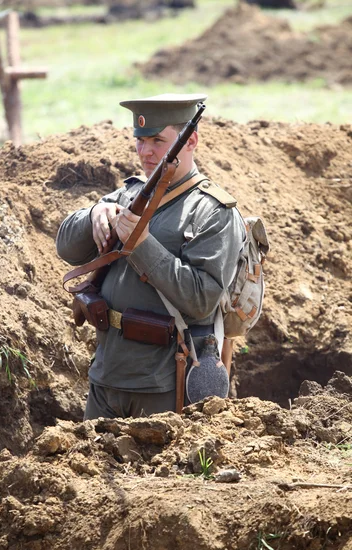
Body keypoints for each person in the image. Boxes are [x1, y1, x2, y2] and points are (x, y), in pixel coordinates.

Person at [56, 93, 244, 419]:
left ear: (191, 140)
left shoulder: (212, 212)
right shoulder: (129, 193)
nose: (146, 151)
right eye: (140, 140)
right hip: (107, 374)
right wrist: (95, 216)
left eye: (158, 140)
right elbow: (67, 250)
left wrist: (142, 244)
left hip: (165, 381)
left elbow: (201, 299)